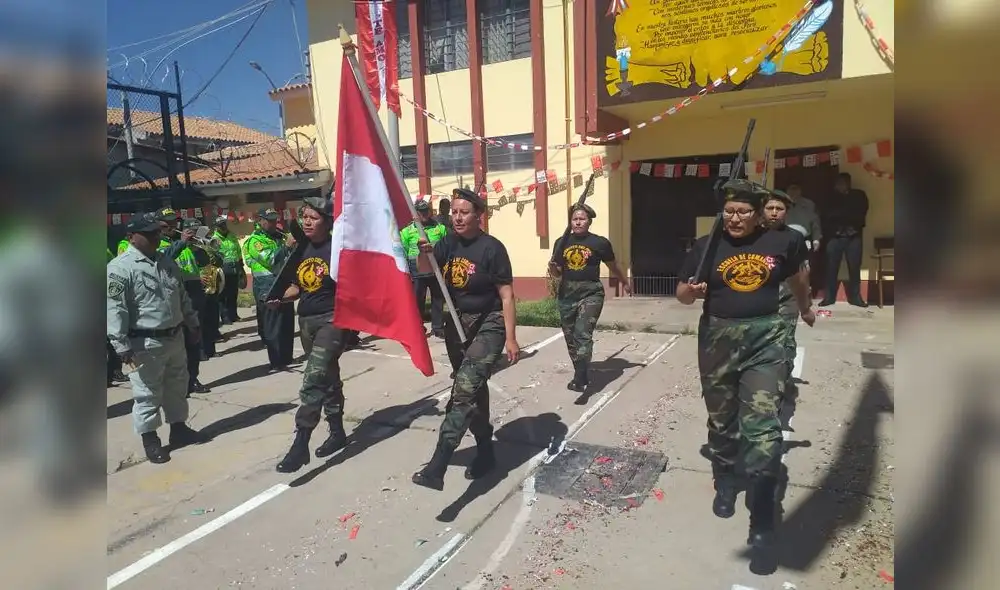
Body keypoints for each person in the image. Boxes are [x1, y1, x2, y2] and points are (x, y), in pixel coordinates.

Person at [675, 180, 815, 548]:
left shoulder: (782, 241)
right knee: (722, 420)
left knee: (763, 425)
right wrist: (691, 292)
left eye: (743, 212)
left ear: (758, 214)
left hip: (765, 339)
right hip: (717, 339)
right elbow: (682, 295)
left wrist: (804, 307)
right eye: (729, 211)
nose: (735, 218)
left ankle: (763, 511)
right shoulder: (707, 247)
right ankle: (725, 480)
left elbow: (798, 278)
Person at [411, 188, 521, 490]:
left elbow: (507, 295)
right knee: (473, 391)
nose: (457, 218)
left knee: (463, 391)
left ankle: (438, 464)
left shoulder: (492, 248)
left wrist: (511, 338)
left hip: (490, 323)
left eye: (464, 212)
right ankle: (486, 451)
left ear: (478, 216)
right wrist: (424, 253)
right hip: (457, 324)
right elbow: (424, 273)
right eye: (454, 212)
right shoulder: (446, 243)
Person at [107, 212, 208, 464]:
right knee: (147, 394)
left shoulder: (165, 260)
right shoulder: (120, 268)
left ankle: (179, 429)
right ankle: (150, 440)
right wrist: (120, 346)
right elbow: (114, 309)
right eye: (149, 233)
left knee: (177, 385)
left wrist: (193, 323)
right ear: (131, 237)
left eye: (157, 232)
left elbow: (181, 295)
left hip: (174, 337)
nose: (156, 237)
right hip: (143, 343)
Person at [267, 196, 349, 472]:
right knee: (328, 377)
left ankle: (300, 443)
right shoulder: (302, 249)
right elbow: (300, 288)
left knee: (313, 378)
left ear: (327, 221)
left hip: (332, 320)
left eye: (313, 218)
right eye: (304, 217)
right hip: (307, 322)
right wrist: (281, 299)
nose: (307, 222)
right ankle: (338, 432)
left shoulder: (337, 250)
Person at [547, 203, 631, 392]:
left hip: (590, 292)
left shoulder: (599, 243)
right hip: (567, 294)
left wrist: (624, 281)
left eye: (582, 219)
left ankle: (579, 377)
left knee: (582, 334)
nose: (578, 222)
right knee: (570, 336)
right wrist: (553, 267)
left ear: (589, 221)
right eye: (575, 219)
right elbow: (558, 272)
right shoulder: (562, 242)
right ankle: (581, 370)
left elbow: (613, 265)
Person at [762, 192, 809, 392]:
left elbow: (802, 270)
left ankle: (783, 383)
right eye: (769, 208)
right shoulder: (752, 235)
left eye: (779, 209)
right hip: (760, 297)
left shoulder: (794, 237)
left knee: (785, 344)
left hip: (787, 298)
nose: (774, 213)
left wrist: (805, 303)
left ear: (786, 213)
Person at [243, 208, 295, 370]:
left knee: (287, 322)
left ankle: (287, 357)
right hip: (266, 284)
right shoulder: (255, 241)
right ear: (260, 221)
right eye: (269, 220)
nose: (273, 223)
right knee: (273, 325)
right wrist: (286, 247)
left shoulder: (278, 236)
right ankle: (276, 361)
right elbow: (271, 259)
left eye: (275, 220)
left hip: (283, 281)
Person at [171, 217, 211, 394]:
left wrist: (199, 246)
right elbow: (166, 259)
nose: (194, 235)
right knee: (181, 341)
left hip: (195, 291)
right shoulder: (165, 245)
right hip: (179, 291)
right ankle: (180, 381)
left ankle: (192, 379)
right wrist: (181, 243)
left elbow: (204, 261)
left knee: (194, 338)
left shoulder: (192, 247)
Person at [819, 172, 869, 307]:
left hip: (854, 236)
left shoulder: (859, 195)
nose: (839, 185)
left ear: (849, 183)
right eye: (837, 183)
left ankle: (856, 297)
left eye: (842, 183)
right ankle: (829, 298)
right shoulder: (830, 197)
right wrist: (843, 214)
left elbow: (861, 212)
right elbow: (826, 214)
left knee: (854, 268)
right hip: (834, 237)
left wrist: (840, 214)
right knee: (830, 267)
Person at [401, 199, 448, 338]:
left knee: (438, 299)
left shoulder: (440, 228)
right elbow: (402, 251)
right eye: (420, 212)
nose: (424, 214)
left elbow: (446, 246)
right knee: (417, 300)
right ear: (415, 213)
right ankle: (418, 327)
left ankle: (438, 327)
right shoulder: (406, 231)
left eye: (426, 211)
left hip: (435, 268)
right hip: (416, 270)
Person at [196, 233, 225, 359]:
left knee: (212, 321)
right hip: (197, 289)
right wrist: (198, 277)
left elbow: (218, 263)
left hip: (210, 289)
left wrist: (214, 252)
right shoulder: (185, 251)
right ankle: (201, 351)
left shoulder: (203, 251)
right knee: (200, 323)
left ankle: (211, 349)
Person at [212, 216, 244, 325]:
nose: (223, 227)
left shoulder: (231, 236)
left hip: (235, 266)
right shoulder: (214, 239)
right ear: (217, 227)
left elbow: (238, 250)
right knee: (223, 294)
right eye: (221, 225)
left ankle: (233, 315)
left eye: (224, 224)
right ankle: (225, 317)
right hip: (223, 268)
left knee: (233, 292)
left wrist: (241, 265)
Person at [782, 184, 822, 252]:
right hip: (784, 240)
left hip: (804, 240)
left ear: (800, 191)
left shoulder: (809, 204)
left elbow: (815, 223)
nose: (793, 192)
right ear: (787, 191)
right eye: (791, 189)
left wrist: (816, 239)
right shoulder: (781, 203)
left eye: (795, 189)